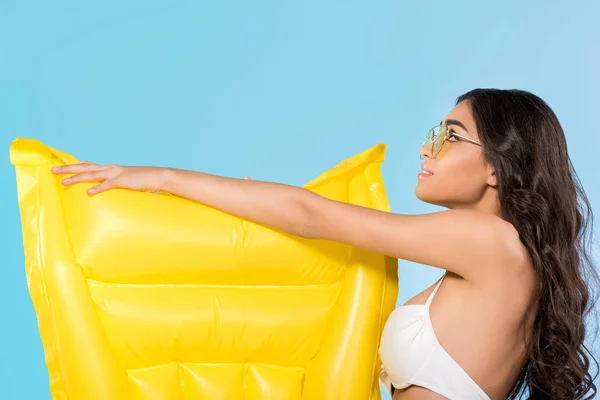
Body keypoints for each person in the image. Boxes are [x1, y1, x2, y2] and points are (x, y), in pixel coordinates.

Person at [52, 88, 598, 399]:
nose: (427, 148)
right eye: (433, 132)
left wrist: (162, 178)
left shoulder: (489, 241)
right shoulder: (490, 257)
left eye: (450, 136)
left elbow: (311, 216)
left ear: (497, 169)